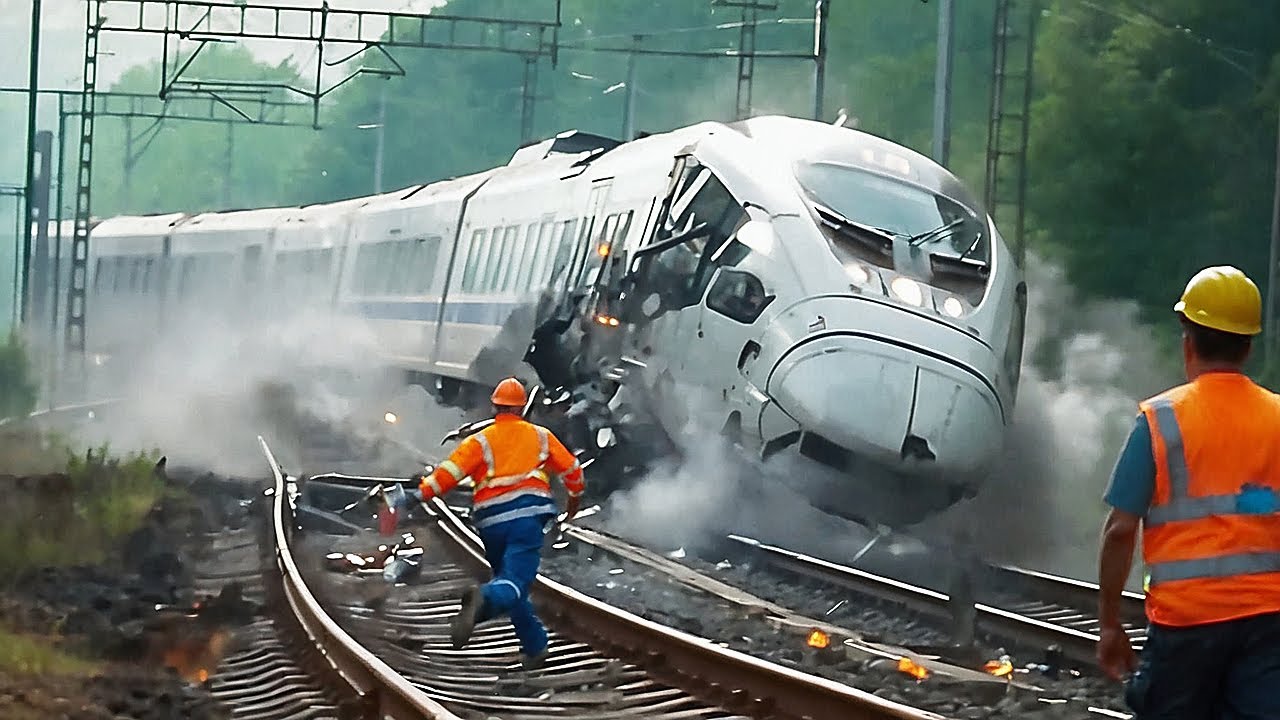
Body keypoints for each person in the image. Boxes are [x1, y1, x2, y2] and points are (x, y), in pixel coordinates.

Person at [1096, 265, 1280, 718]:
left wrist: (1110, 625)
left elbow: (1121, 530)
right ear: (1249, 346)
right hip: (1268, 625)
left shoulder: (1160, 420)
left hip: (1186, 625)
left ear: (1188, 340)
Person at [399, 377, 585, 670]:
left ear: (495, 406)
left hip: (491, 523)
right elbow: (574, 473)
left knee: (512, 583)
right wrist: (572, 504)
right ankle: (483, 599)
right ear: (522, 408)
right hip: (526, 520)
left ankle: (535, 646)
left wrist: (414, 496)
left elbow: (447, 476)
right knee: (514, 581)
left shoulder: (480, 440)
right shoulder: (541, 437)